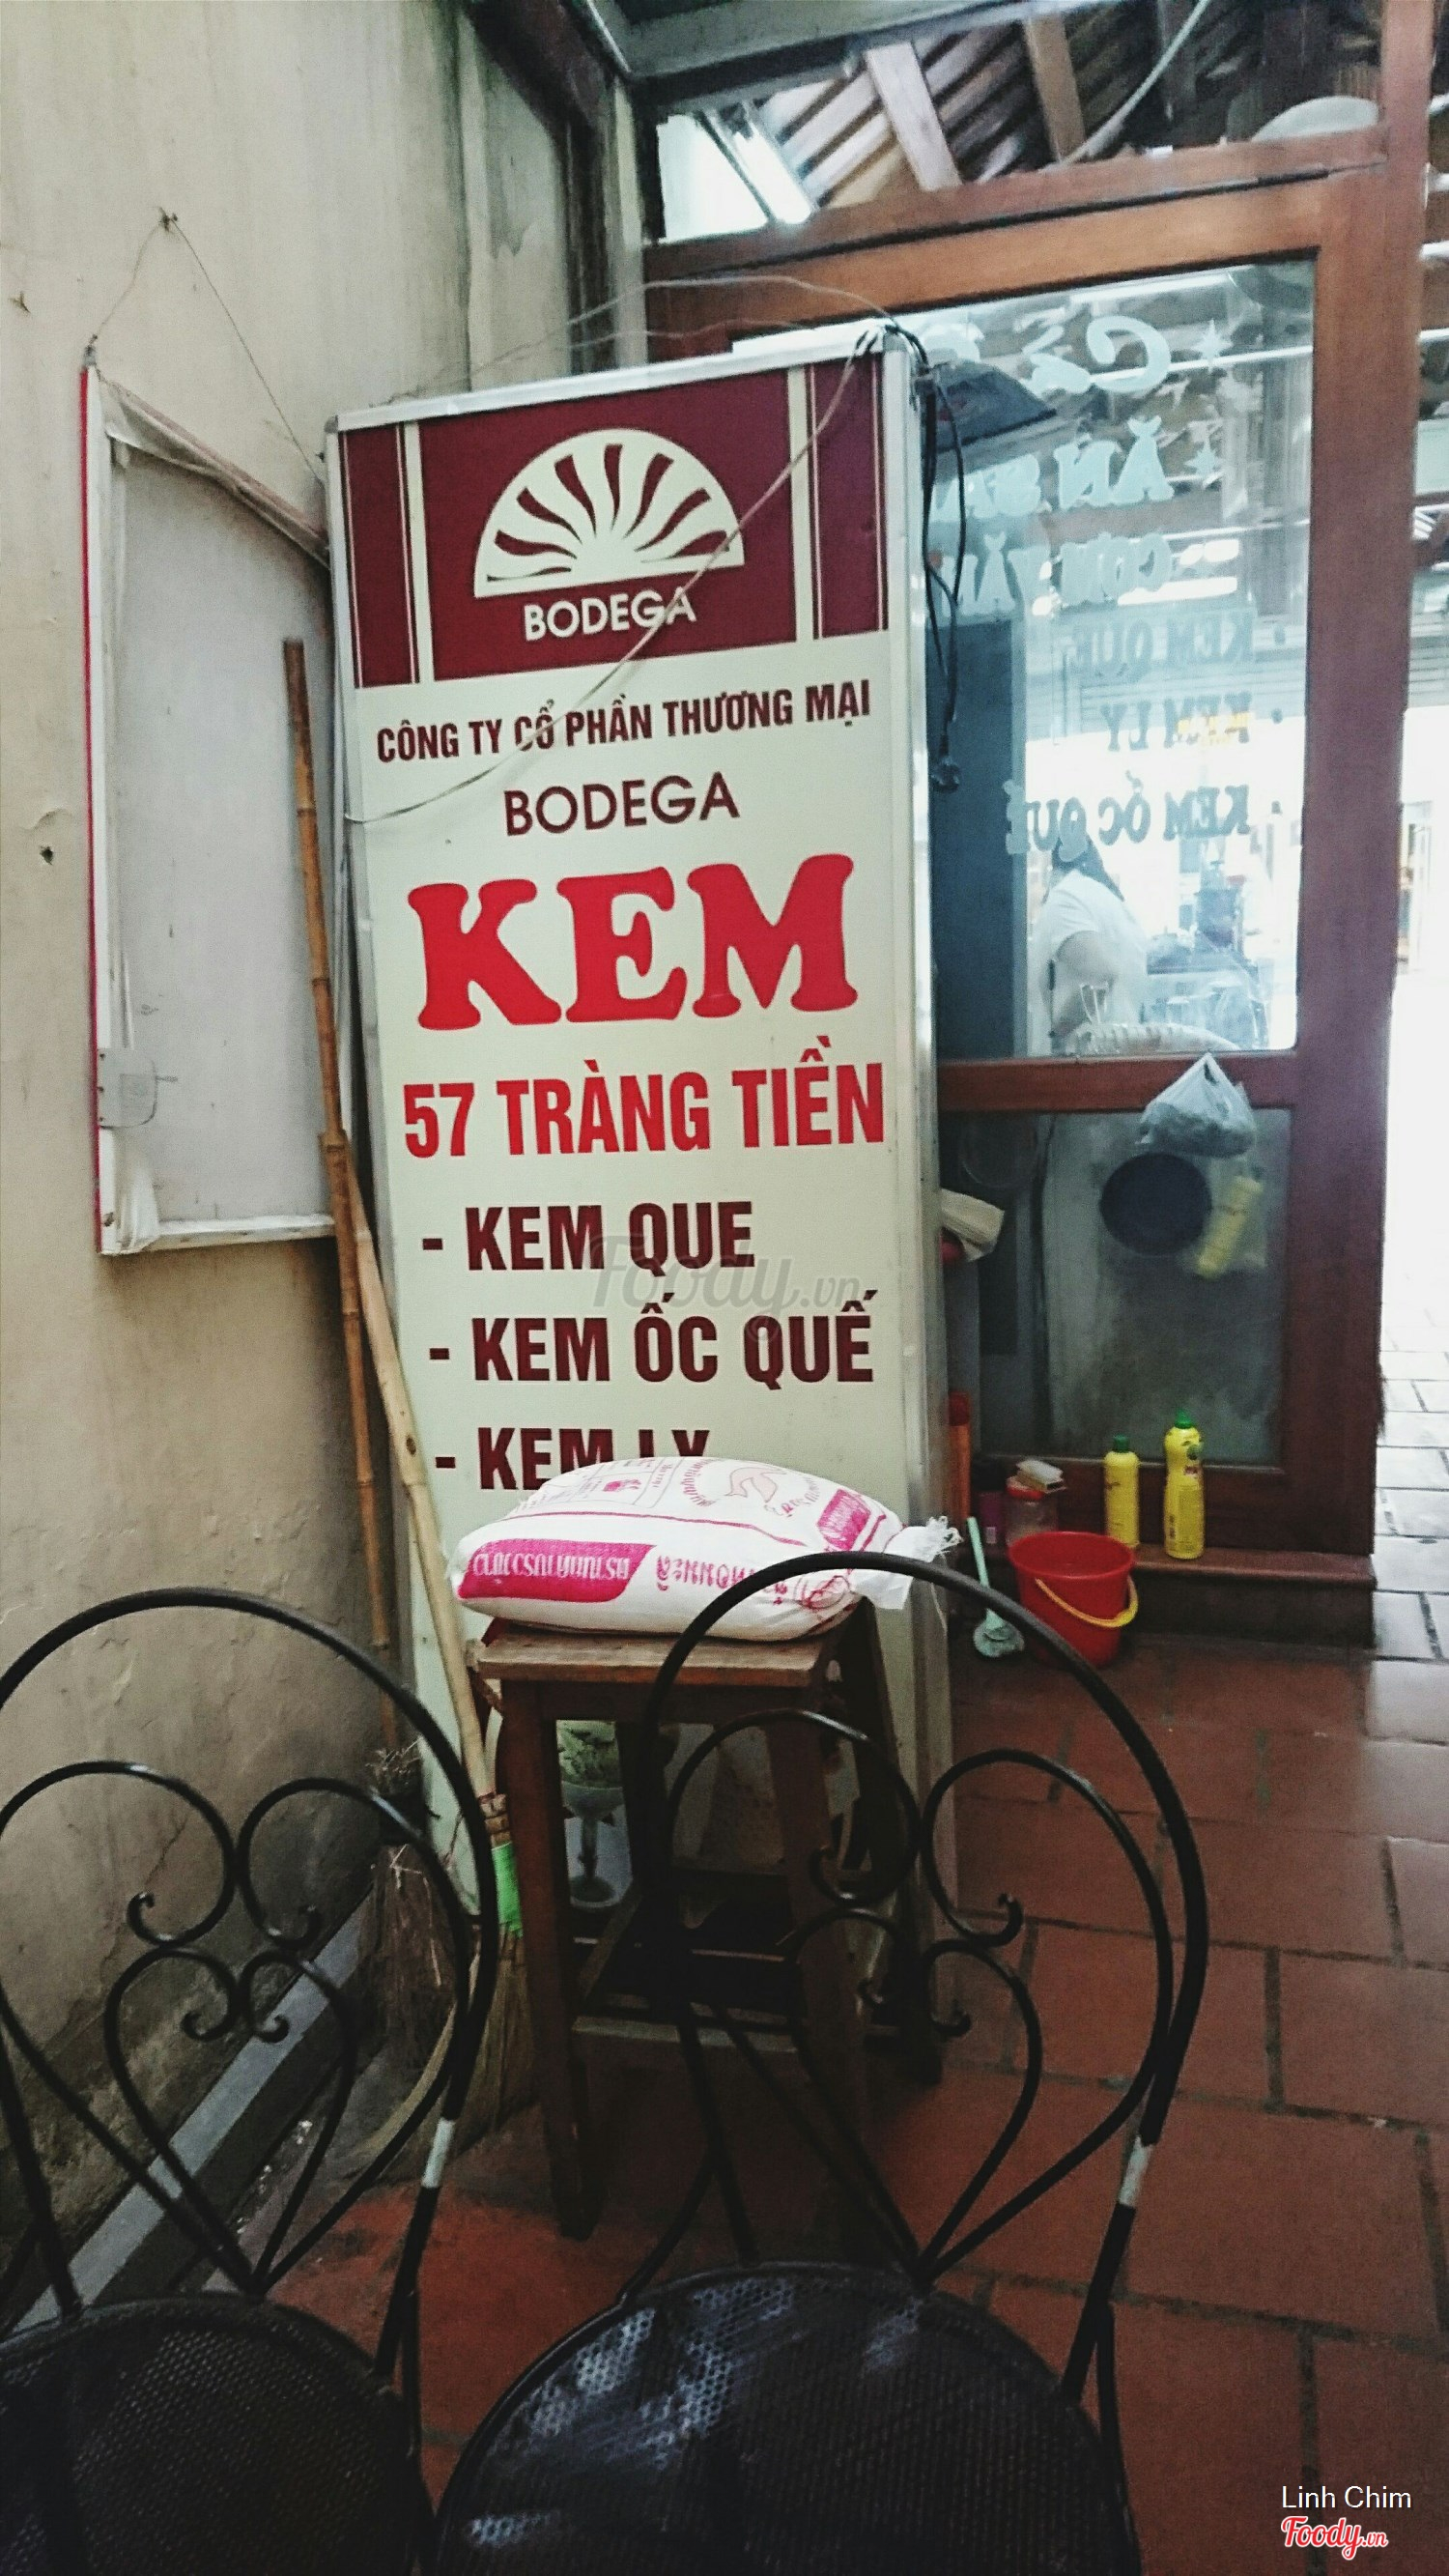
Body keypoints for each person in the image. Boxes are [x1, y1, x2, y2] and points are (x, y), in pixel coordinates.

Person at [1030, 832, 1148, 1049]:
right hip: (1120, 1053)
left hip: (1081, 1060)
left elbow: (1100, 973)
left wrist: (1059, 1032)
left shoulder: (1066, 898)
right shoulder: (1111, 902)